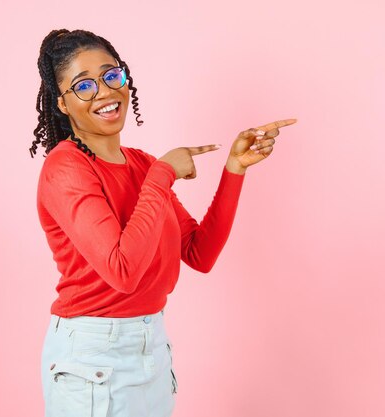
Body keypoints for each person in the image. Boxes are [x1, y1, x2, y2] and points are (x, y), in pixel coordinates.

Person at [29, 28, 296, 417]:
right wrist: (163, 174)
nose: (104, 91)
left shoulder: (141, 163)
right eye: (83, 85)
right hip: (92, 355)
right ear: (63, 105)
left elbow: (199, 253)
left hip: (150, 345)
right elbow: (122, 270)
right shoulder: (66, 167)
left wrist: (235, 169)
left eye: (111, 75)